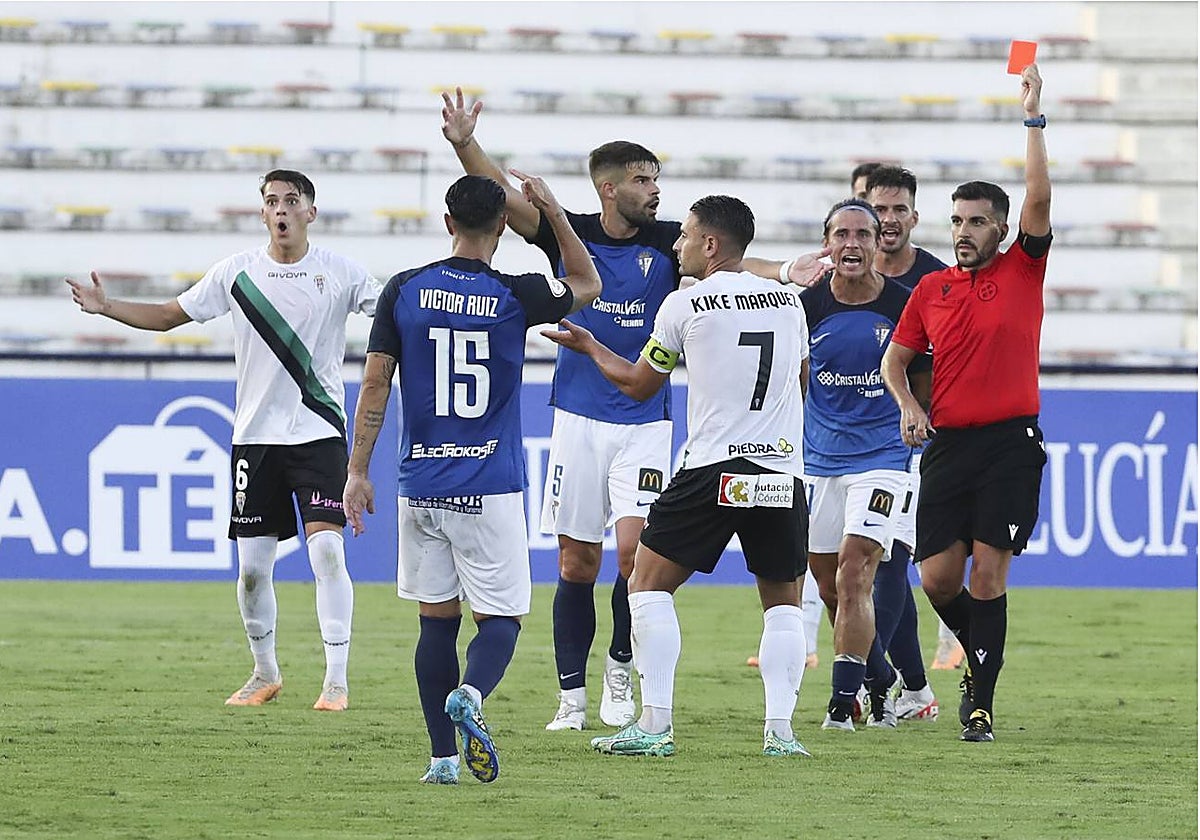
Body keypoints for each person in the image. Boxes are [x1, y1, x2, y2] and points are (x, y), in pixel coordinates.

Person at [440, 87, 822, 731]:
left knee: (631, 556)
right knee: (573, 563)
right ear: (609, 188)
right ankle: (571, 695)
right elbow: (504, 199)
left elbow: (735, 259)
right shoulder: (574, 234)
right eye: (644, 179)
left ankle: (622, 673)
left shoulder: (675, 244)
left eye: (657, 178)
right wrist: (464, 143)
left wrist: (785, 267)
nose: (656, 190)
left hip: (644, 422)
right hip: (578, 417)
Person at [67, 169, 379, 712]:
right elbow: (168, 316)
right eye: (271, 201)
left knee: (327, 551)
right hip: (254, 442)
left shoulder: (342, 273)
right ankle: (264, 673)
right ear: (261, 213)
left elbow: (395, 312)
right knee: (253, 570)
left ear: (311, 212)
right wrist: (108, 306)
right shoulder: (236, 274)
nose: (280, 210)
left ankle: (335, 681)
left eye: (291, 200)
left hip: (319, 436)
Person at [342, 173, 601, 785]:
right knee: (501, 619)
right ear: (503, 226)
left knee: (436, 620)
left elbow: (376, 382)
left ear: (447, 221)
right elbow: (589, 283)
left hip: (420, 485)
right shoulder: (518, 293)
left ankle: (442, 760)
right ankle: (474, 694)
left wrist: (357, 472)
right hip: (488, 484)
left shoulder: (404, 289)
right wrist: (556, 214)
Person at [545, 195, 825, 759]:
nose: (677, 246)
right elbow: (798, 380)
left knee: (645, 584)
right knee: (783, 604)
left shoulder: (684, 304)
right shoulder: (791, 304)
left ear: (711, 245)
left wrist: (588, 344)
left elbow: (640, 384)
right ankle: (781, 733)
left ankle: (654, 724)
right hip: (780, 468)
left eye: (687, 236)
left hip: (713, 469)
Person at [881, 64, 1052, 743]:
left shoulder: (1023, 269)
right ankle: (982, 658)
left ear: (1003, 230)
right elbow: (896, 361)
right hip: (948, 444)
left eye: (977, 221)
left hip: (1011, 442)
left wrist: (1033, 120)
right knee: (937, 577)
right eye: (956, 220)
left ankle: (979, 701)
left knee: (987, 571)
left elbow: (1040, 197)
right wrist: (906, 405)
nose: (964, 230)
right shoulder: (932, 290)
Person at [799, 198, 931, 732]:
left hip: (883, 458)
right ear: (827, 244)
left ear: (879, 244)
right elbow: (799, 376)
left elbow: (921, 379)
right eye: (841, 235)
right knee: (829, 583)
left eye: (862, 235)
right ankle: (878, 681)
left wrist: (913, 417)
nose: (851, 244)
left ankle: (840, 705)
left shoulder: (904, 305)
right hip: (819, 459)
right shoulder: (805, 307)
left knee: (857, 570)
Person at [862, 165, 953, 720]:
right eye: (880, 210)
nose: (890, 221)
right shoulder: (837, 276)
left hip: (909, 443)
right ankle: (912, 688)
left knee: (889, 560)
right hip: (839, 446)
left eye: (900, 210)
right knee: (849, 573)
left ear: (914, 217)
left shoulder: (937, 280)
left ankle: (872, 686)